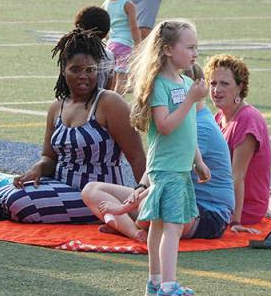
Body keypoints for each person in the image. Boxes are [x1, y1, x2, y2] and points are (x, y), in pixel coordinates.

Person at [0, 29, 146, 224]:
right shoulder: (57, 107)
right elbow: (49, 157)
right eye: (76, 69)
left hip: (97, 193)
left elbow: (137, 156)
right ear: (64, 70)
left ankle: (107, 214)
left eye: (90, 70)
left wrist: (145, 199)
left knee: (18, 202)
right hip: (60, 184)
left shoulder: (109, 102)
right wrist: (37, 169)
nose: (83, 76)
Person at [82, 63, 234, 244]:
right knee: (91, 190)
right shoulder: (182, 119)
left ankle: (128, 225)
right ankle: (134, 232)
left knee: (150, 207)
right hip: (175, 195)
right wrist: (139, 190)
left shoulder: (200, 128)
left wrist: (124, 207)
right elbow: (159, 163)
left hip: (208, 213)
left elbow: (169, 180)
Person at [127, 19, 209, 296]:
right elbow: (164, 126)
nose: (195, 53)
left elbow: (189, 128)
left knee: (161, 225)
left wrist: (198, 160)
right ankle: (169, 287)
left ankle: (156, 280)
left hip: (180, 167)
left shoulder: (185, 83)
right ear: (168, 50)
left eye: (195, 47)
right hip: (166, 168)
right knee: (173, 226)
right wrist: (189, 100)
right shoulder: (160, 84)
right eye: (189, 47)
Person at [205, 54, 271, 233]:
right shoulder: (218, 117)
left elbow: (238, 175)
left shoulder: (248, 119)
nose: (216, 89)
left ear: (240, 87)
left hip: (243, 209)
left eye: (224, 84)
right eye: (213, 83)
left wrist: (235, 221)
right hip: (218, 198)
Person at [102, 0, 141, 93]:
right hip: (125, 45)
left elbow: (105, 26)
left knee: (112, 77)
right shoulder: (128, 4)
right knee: (122, 78)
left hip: (111, 45)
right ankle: (118, 103)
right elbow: (134, 27)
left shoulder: (107, 3)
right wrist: (139, 45)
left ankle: (108, 98)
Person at [74, 5, 116, 91]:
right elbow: (109, 87)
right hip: (99, 101)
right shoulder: (109, 55)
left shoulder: (72, 53)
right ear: (106, 32)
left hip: (75, 101)